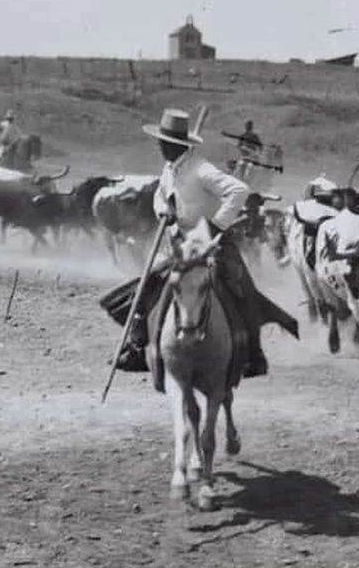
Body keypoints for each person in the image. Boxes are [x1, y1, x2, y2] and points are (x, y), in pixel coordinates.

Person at [111, 108, 298, 378]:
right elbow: (160, 196)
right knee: (149, 286)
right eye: (161, 142)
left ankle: (253, 355)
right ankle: (139, 346)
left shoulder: (201, 169)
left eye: (165, 143)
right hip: (181, 242)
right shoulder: (170, 169)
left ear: (178, 145)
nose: (161, 147)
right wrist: (164, 210)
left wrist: (217, 224)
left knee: (240, 290)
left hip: (214, 242)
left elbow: (239, 190)